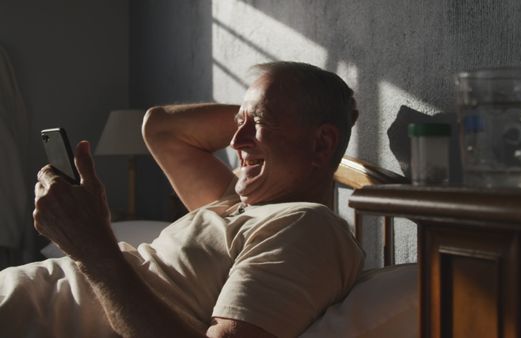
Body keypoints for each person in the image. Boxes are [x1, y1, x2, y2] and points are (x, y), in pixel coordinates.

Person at [0, 61, 363, 338]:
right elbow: (161, 127)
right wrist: (262, 112)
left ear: (322, 143)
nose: (235, 141)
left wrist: (91, 248)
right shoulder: (234, 199)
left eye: (259, 123)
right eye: (239, 122)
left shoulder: (304, 226)